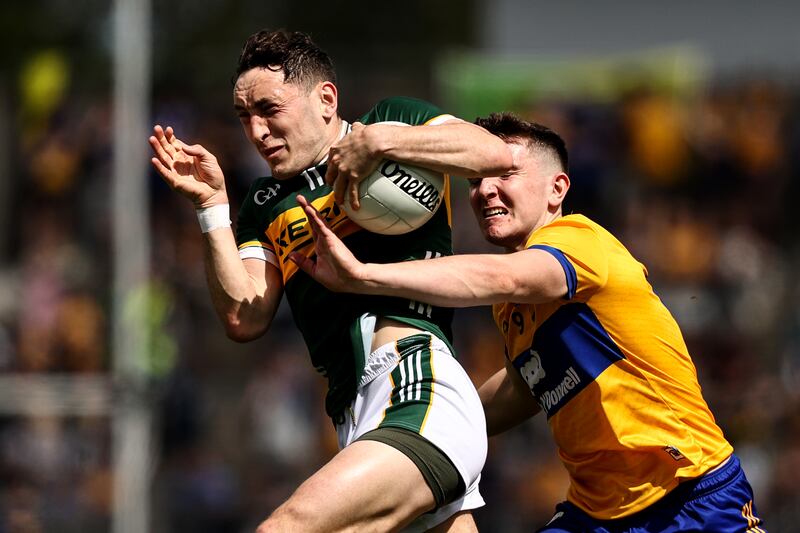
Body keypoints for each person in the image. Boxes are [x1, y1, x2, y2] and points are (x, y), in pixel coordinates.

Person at [290, 112, 767, 532]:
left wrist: (365, 276)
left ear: (557, 188)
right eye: (475, 180)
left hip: (689, 498)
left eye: (505, 174)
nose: (485, 190)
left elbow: (502, 277)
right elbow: (525, 386)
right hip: (597, 516)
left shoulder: (581, 242)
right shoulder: (512, 309)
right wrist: (414, 428)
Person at [148, 29, 513, 533]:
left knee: (286, 527)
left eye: (269, 109)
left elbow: (493, 154)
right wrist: (212, 208)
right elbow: (244, 315)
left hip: (413, 382)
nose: (256, 132)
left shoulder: (394, 121)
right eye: (244, 117)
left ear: (325, 100)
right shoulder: (263, 203)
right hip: (354, 416)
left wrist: (381, 139)